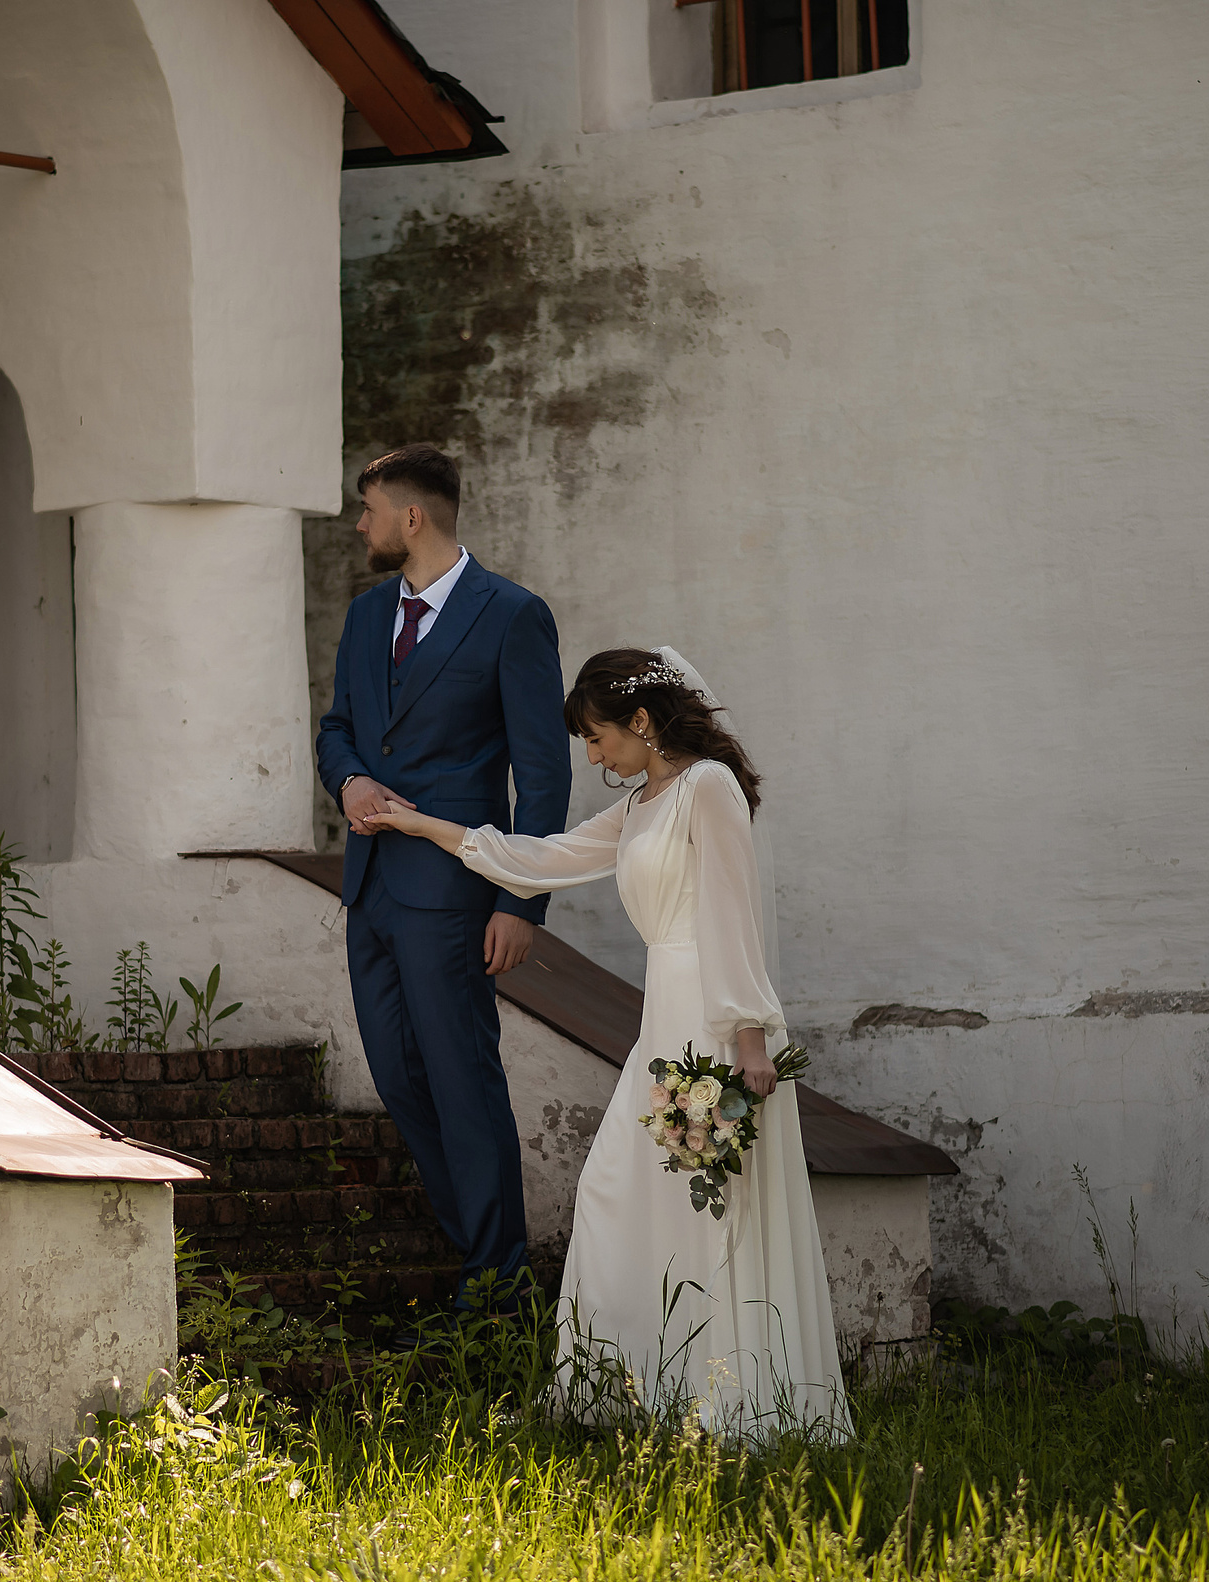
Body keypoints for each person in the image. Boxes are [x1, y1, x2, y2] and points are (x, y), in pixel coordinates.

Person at [362, 647, 851, 1439]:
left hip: (716, 1030)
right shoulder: (639, 806)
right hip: (663, 1022)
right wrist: (419, 823)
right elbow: (539, 860)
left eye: (596, 737)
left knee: (706, 1207)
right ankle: (637, 1394)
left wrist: (748, 1043)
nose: (592, 756)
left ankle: (732, 1407)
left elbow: (733, 916)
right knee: (615, 1195)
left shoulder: (708, 788)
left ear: (643, 721)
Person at [314, 444, 571, 1304]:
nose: (362, 525)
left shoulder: (511, 615)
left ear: (411, 516)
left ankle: (496, 1288)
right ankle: (483, 1258)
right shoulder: (361, 619)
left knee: (463, 1075)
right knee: (397, 1072)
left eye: (371, 510)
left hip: (458, 894)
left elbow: (544, 773)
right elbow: (339, 728)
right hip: (372, 887)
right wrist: (348, 777)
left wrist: (520, 898)